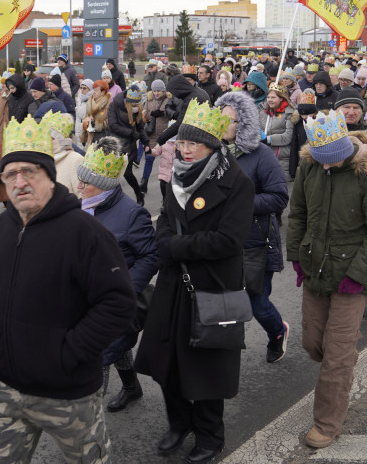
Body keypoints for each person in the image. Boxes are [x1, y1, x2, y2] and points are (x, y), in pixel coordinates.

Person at [0, 115, 135, 463]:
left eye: (30, 171)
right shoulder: (2, 226)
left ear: (50, 176)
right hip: (3, 388)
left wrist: (67, 354)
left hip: (67, 395)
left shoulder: (85, 233)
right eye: (10, 174)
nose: (19, 181)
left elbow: (117, 303)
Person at [135, 99, 254, 463]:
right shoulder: (179, 175)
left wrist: (174, 247)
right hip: (174, 284)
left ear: (212, 146)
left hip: (211, 285)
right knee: (164, 360)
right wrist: (167, 242)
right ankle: (179, 421)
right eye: (182, 143)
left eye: (192, 144)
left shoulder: (237, 183)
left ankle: (209, 436)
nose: (184, 149)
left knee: (206, 370)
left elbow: (228, 241)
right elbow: (166, 219)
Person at [287, 109, 367, 449]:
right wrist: (297, 258)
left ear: (344, 152)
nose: (327, 167)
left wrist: (359, 275)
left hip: (351, 274)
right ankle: (344, 356)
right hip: (315, 266)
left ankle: (327, 424)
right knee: (313, 344)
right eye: (322, 162)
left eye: (332, 162)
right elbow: (298, 213)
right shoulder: (309, 165)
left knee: (335, 359)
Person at [76, 137, 159, 413]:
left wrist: (124, 291)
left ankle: (88, 428)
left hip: (115, 303)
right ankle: (132, 387)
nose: (78, 187)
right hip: (84, 301)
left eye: (85, 183)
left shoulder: (132, 214)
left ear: (104, 183)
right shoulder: (81, 207)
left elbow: (151, 256)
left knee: (96, 361)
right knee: (114, 346)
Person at [216, 91, 291, 363]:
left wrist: (238, 203)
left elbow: (279, 196)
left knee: (257, 303)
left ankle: (277, 332)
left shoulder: (261, 155)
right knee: (225, 301)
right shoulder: (212, 153)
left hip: (256, 241)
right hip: (222, 241)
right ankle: (225, 353)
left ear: (245, 123)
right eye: (219, 119)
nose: (224, 125)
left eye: (231, 120)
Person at [106, 84, 149, 204]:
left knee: (128, 173)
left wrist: (146, 142)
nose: (135, 106)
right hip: (115, 144)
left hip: (129, 146)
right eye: (133, 104)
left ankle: (138, 193)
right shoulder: (115, 105)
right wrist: (131, 133)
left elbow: (140, 128)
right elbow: (113, 125)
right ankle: (112, 200)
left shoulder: (137, 110)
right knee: (112, 175)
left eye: (137, 104)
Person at [142, 78, 170, 190]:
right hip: (152, 133)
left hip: (165, 134)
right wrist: (151, 114)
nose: (157, 93)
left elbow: (173, 113)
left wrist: (163, 113)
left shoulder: (169, 99)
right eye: (155, 91)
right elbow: (145, 114)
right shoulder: (148, 100)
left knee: (166, 161)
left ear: (163, 90)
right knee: (149, 159)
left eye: (159, 91)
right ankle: (144, 182)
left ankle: (167, 184)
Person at [261, 83, 295, 174]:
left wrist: (268, 139)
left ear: (281, 98)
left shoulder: (289, 113)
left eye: (273, 97)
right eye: (268, 97)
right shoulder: (264, 112)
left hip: (282, 158)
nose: (270, 100)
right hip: (265, 156)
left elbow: (288, 136)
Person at [81, 79, 112, 147]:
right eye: (94, 90)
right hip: (90, 136)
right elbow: (86, 118)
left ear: (103, 92)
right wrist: (84, 134)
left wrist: (97, 124)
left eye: (96, 90)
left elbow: (111, 122)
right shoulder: (89, 102)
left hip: (102, 137)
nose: (94, 92)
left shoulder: (108, 105)